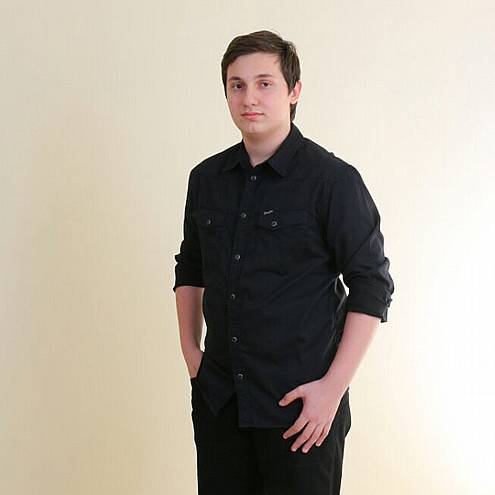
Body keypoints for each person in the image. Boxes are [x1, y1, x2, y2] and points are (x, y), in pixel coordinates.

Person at [173, 29, 394, 495]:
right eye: (237, 85)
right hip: (220, 402)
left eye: (264, 83)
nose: (249, 98)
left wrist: (332, 390)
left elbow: (372, 286)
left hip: (302, 412)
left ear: (293, 91)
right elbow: (190, 267)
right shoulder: (206, 179)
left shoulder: (332, 181)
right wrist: (192, 353)